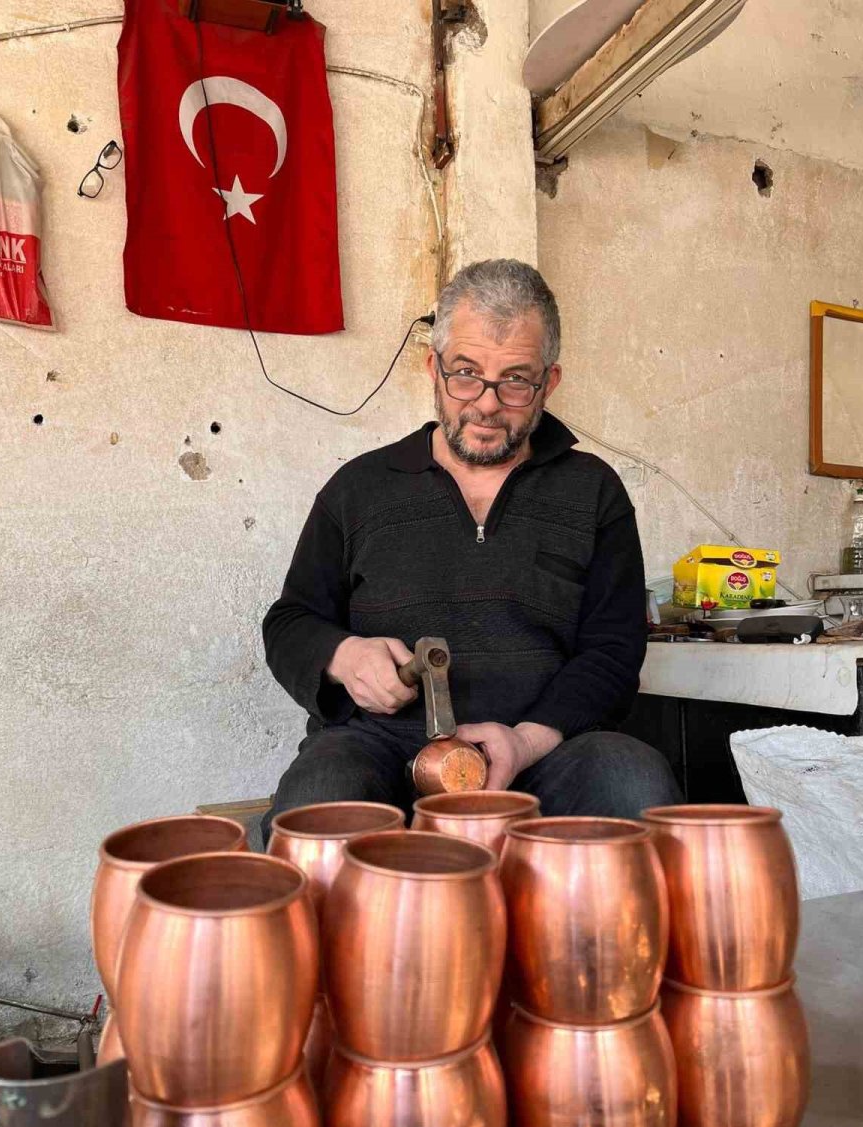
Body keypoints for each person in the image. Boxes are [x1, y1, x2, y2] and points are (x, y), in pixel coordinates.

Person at [261, 259, 681, 841]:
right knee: (316, 805)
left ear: (549, 382)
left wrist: (528, 738)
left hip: (536, 755)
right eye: (466, 373)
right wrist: (344, 656)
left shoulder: (593, 492)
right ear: (433, 368)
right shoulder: (358, 489)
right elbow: (290, 623)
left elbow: (612, 650)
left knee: (633, 780)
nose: (486, 404)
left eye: (515, 380)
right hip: (380, 749)